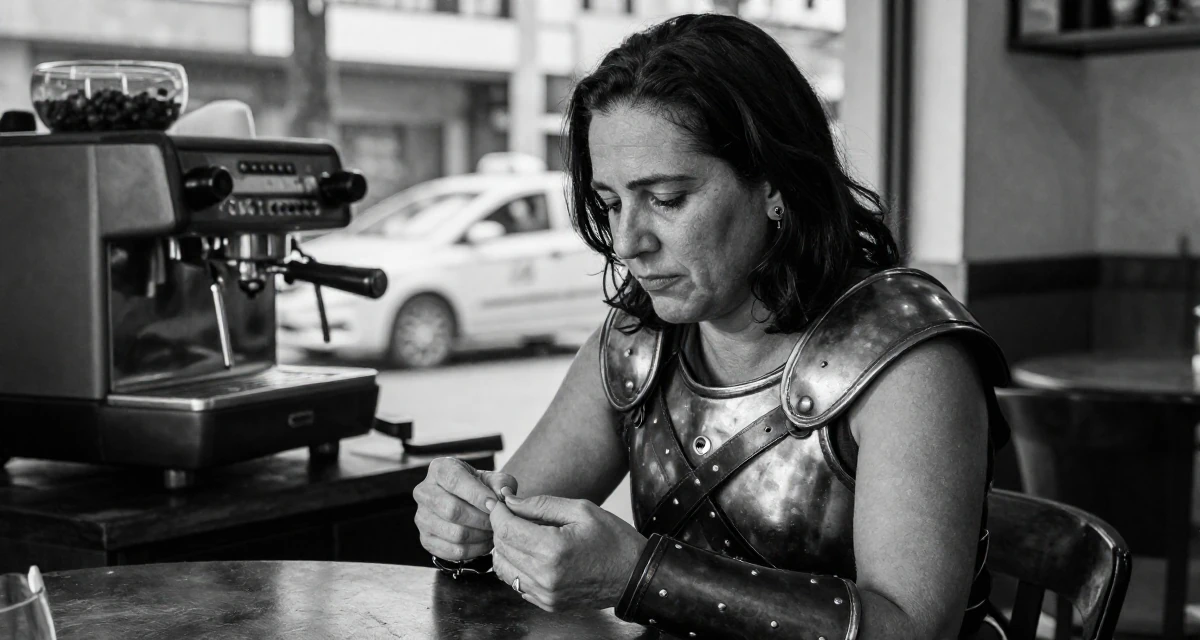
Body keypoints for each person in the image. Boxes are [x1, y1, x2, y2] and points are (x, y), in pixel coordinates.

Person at [413, 13, 1010, 640]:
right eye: (611, 203)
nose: (626, 242)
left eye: (667, 199)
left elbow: (912, 629)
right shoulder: (636, 343)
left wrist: (641, 576)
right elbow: (512, 519)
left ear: (774, 185)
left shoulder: (909, 357)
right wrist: (467, 522)